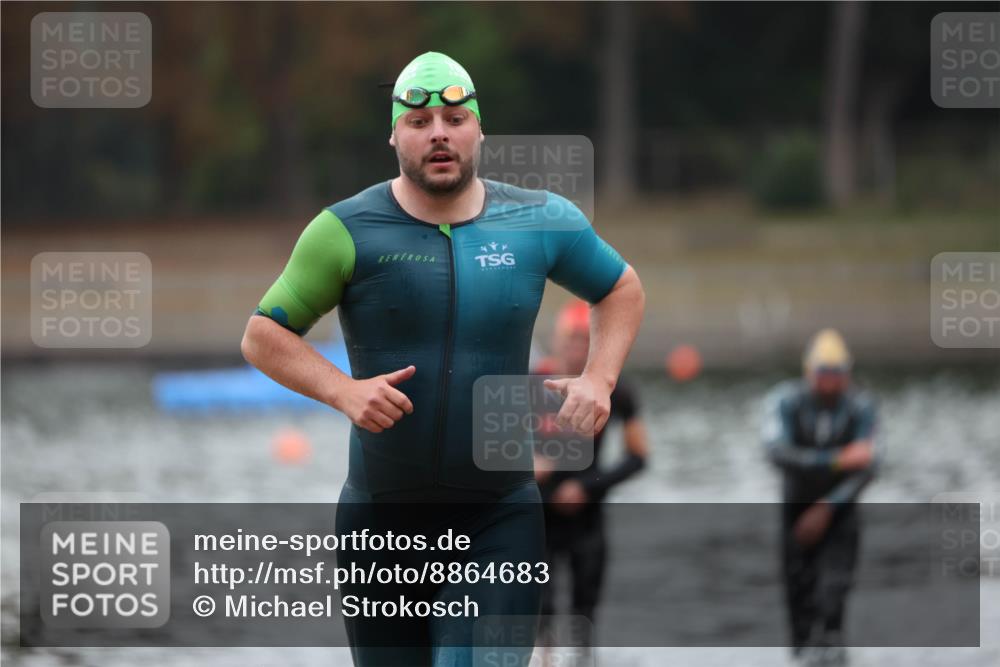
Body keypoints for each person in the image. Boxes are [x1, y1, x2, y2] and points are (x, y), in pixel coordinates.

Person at [241, 51, 645, 667]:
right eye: (420, 122)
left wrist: (600, 378)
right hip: (381, 523)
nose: (438, 134)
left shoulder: (537, 221)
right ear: (394, 134)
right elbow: (263, 335)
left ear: (478, 130)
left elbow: (620, 289)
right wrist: (343, 391)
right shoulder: (345, 230)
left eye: (455, 119)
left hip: (497, 518)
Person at [532, 299, 649, 656]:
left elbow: (638, 458)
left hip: (588, 513)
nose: (576, 350)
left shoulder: (616, 390)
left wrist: (587, 486)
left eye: (585, 342)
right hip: (541, 516)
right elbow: (489, 451)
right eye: (570, 341)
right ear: (556, 342)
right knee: (541, 611)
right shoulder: (532, 385)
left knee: (586, 612)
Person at [761, 328, 882, 666]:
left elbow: (871, 465)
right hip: (795, 514)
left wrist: (828, 507)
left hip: (841, 515)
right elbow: (776, 452)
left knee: (832, 601)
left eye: (838, 373)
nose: (830, 380)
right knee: (799, 611)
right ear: (808, 370)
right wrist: (836, 460)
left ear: (848, 372)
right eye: (823, 372)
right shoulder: (785, 401)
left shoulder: (862, 405)